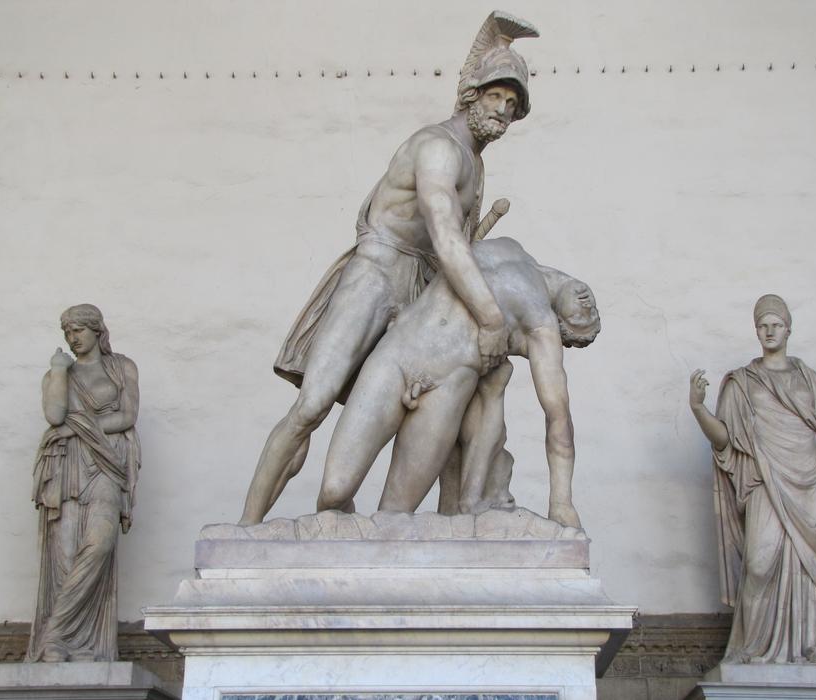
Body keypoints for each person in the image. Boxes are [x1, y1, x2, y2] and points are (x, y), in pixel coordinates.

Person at [239, 12, 539, 525]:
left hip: (422, 287)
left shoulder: (476, 163)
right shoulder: (440, 149)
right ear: (472, 94)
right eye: (495, 97)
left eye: (512, 104)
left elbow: (456, 247)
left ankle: (455, 521)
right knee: (312, 405)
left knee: (454, 393)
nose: (503, 111)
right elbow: (446, 239)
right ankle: (246, 527)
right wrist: (491, 318)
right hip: (377, 275)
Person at [316, 237, 600, 528]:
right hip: (397, 355)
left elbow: (558, 417)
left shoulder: (541, 328)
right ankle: (342, 550)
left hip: (443, 392)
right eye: (592, 313)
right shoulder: (512, 246)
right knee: (333, 492)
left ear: (563, 327)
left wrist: (561, 503)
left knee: (392, 519)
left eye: (583, 319)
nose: (588, 306)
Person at [689, 294, 816, 665]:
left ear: (788, 329)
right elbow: (725, 440)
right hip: (766, 481)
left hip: (814, 485)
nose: (769, 331)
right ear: (756, 331)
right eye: (762, 325)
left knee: (814, 567)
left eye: (776, 325)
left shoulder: (809, 380)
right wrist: (698, 408)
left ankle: (815, 646)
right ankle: (751, 647)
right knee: (759, 563)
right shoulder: (742, 383)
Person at [27, 304, 140, 662]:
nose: (73, 338)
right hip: (65, 466)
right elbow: (55, 415)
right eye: (67, 332)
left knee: (99, 545)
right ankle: (58, 642)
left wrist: (81, 427)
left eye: (78, 330)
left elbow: (127, 415)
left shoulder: (122, 367)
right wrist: (59, 371)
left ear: (97, 330)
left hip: (105, 462)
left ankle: (54, 633)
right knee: (64, 557)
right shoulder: (57, 374)